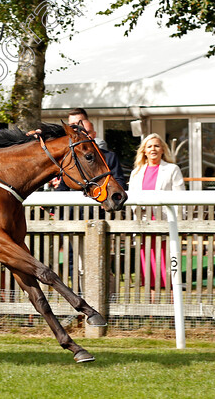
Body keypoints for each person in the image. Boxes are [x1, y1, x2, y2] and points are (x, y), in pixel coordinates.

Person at [129, 133, 185, 297]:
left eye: (156, 146)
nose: (153, 149)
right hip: (144, 225)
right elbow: (132, 199)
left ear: (162, 150)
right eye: (149, 146)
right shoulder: (136, 172)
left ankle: (172, 305)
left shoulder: (172, 169)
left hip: (166, 225)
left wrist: (178, 222)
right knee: (148, 266)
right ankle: (152, 308)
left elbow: (179, 198)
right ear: (144, 151)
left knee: (168, 264)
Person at [54, 108, 126, 190]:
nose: (76, 130)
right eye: (72, 126)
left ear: (94, 134)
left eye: (79, 126)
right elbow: (62, 188)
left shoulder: (109, 157)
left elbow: (119, 184)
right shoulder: (69, 159)